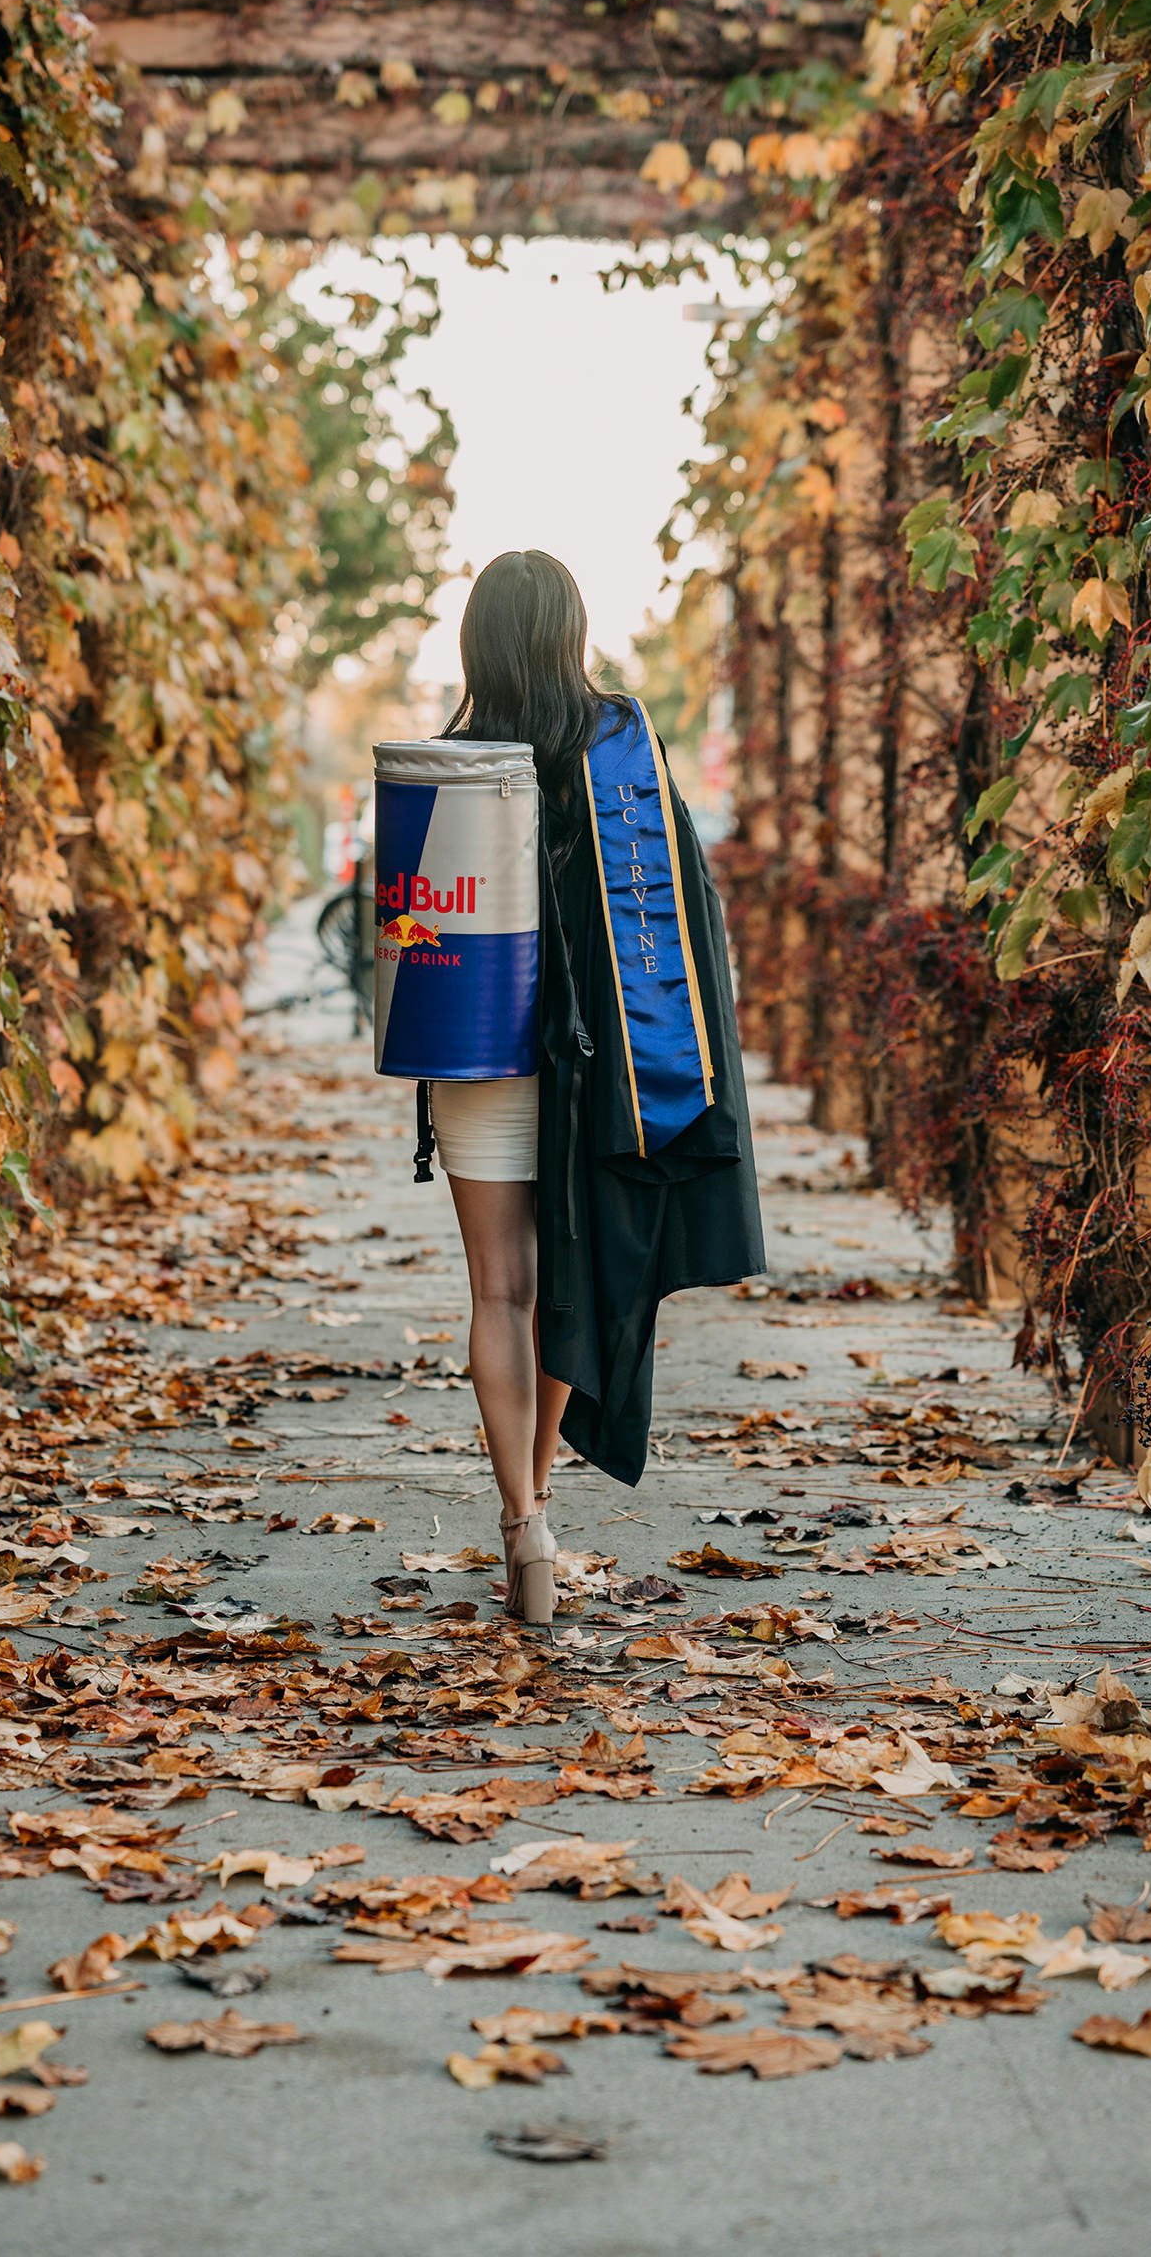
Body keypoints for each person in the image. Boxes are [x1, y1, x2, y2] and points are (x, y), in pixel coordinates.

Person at [424, 549, 765, 1626]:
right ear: (573, 634)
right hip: (592, 1065)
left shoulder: (448, 762)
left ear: (477, 641)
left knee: (498, 1289)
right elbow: (688, 908)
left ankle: (520, 1517)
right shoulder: (620, 744)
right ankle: (539, 1514)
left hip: (481, 1055)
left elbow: (413, 931)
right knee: (563, 1285)